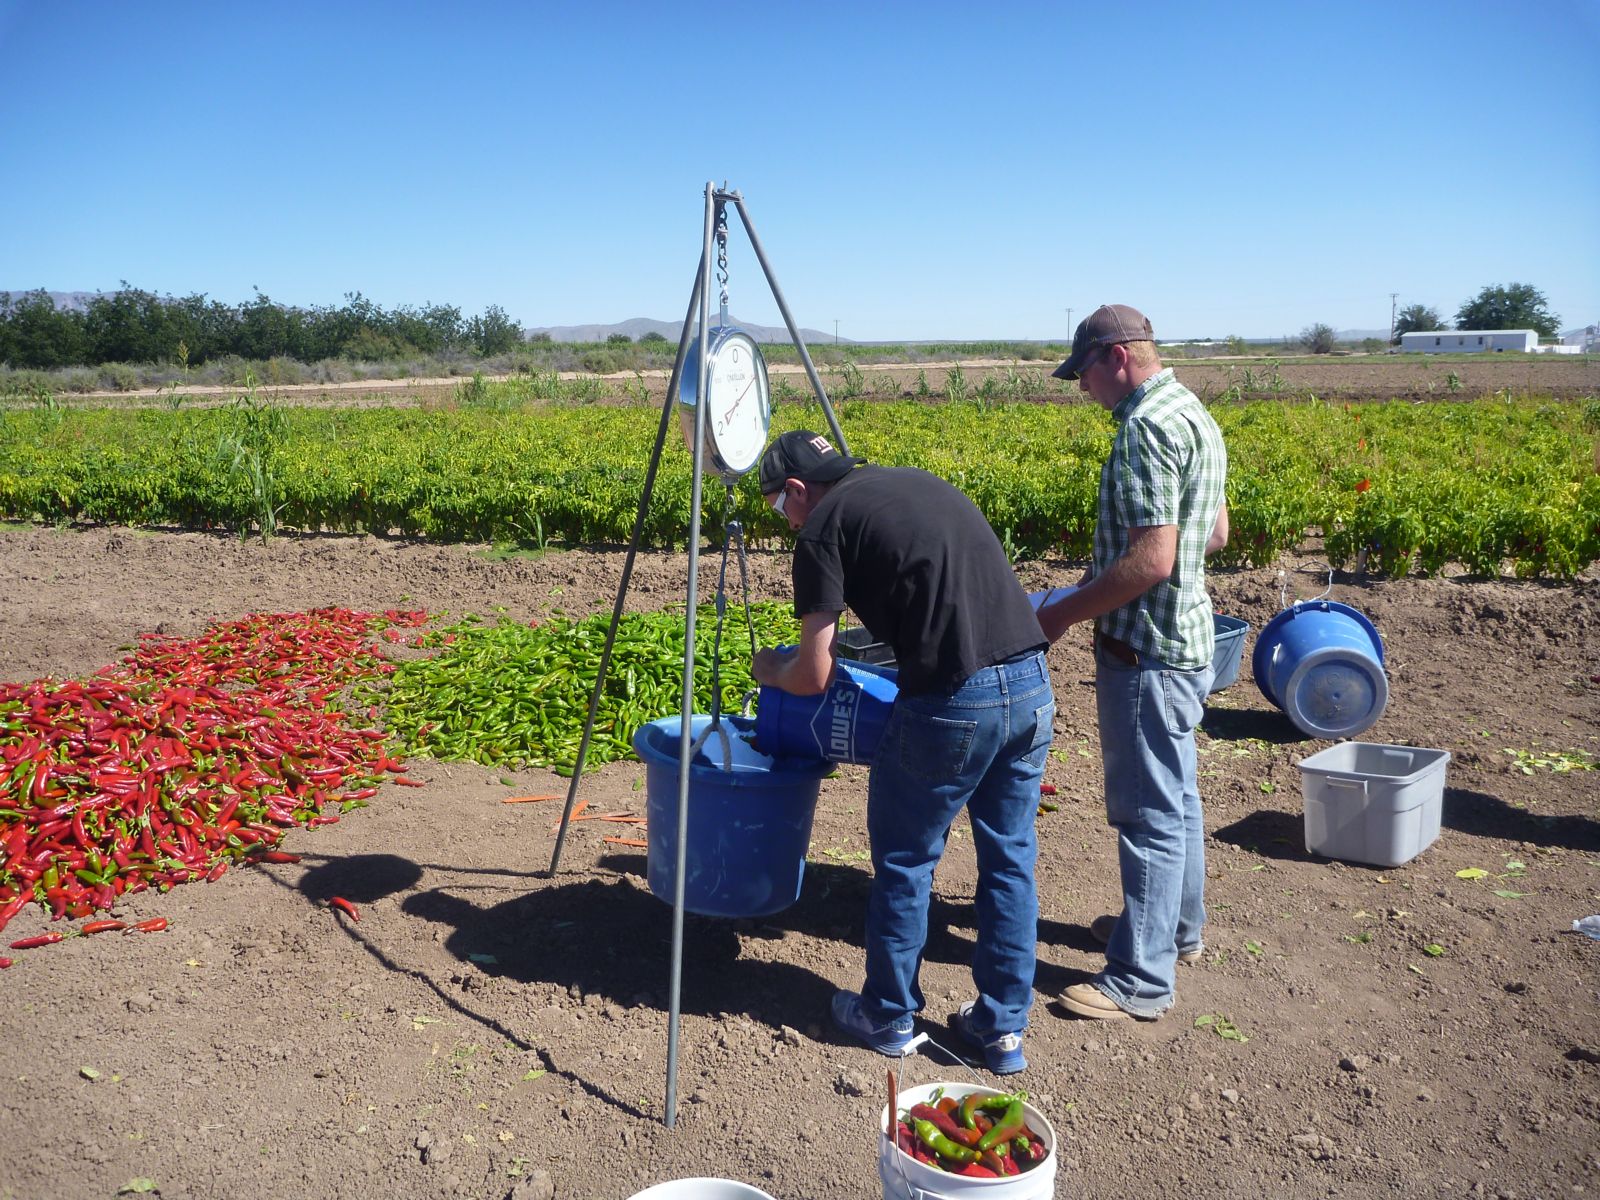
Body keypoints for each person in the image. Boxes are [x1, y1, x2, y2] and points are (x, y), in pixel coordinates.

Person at [751, 430, 1055, 1074]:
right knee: (1009, 858)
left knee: (907, 859)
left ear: (800, 489)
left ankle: (887, 1015)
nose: (784, 517)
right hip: (1031, 683)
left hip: (953, 699)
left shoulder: (822, 528)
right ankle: (1001, 1032)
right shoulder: (912, 482)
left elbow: (813, 674)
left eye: (779, 502)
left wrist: (771, 671)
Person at [1034, 304, 1229, 1022]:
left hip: (1144, 648)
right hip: (1187, 640)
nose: (1083, 389)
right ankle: (1175, 933)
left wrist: (1062, 611)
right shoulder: (1192, 411)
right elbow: (1215, 531)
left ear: (1116, 357)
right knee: (1175, 800)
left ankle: (1140, 981)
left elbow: (1155, 557)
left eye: (1083, 373)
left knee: (1148, 812)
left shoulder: (1145, 426)